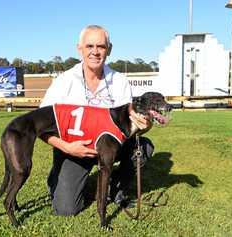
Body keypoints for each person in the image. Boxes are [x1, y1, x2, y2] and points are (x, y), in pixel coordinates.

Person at [40, 25, 154, 216]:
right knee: (66, 209)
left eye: (101, 46)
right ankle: (57, 179)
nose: (95, 51)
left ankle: (114, 187)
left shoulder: (119, 81)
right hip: (74, 149)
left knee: (143, 147)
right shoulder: (64, 81)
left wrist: (145, 127)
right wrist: (66, 147)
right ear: (80, 48)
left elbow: (130, 126)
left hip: (109, 147)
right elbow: (39, 127)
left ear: (109, 49)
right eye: (89, 46)